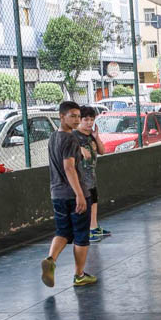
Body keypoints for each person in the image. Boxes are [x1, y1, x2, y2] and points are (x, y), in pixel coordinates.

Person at [41, 101, 97, 287]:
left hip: (56, 194)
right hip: (74, 194)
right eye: (72, 116)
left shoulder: (52, 138)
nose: (77, 120)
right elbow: (69, 167)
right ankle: (79, 275)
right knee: (81, 235)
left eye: (78, 116)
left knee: (63, 231)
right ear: (61, 116)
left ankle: (51, 259)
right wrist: (80, 194)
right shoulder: (71, 138)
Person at [73, 106, 110, 242]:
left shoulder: (91, 136)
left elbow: (102, 151)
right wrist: (79, 148)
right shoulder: (73, 136)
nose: (89, 123)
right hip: (81, 177)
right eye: (86, 119)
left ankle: (94, 227)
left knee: (94, 201)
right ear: (80, 120)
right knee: (86, 204)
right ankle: (87, 230)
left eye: (91, 119)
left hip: (91, 176)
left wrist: (96, 137)